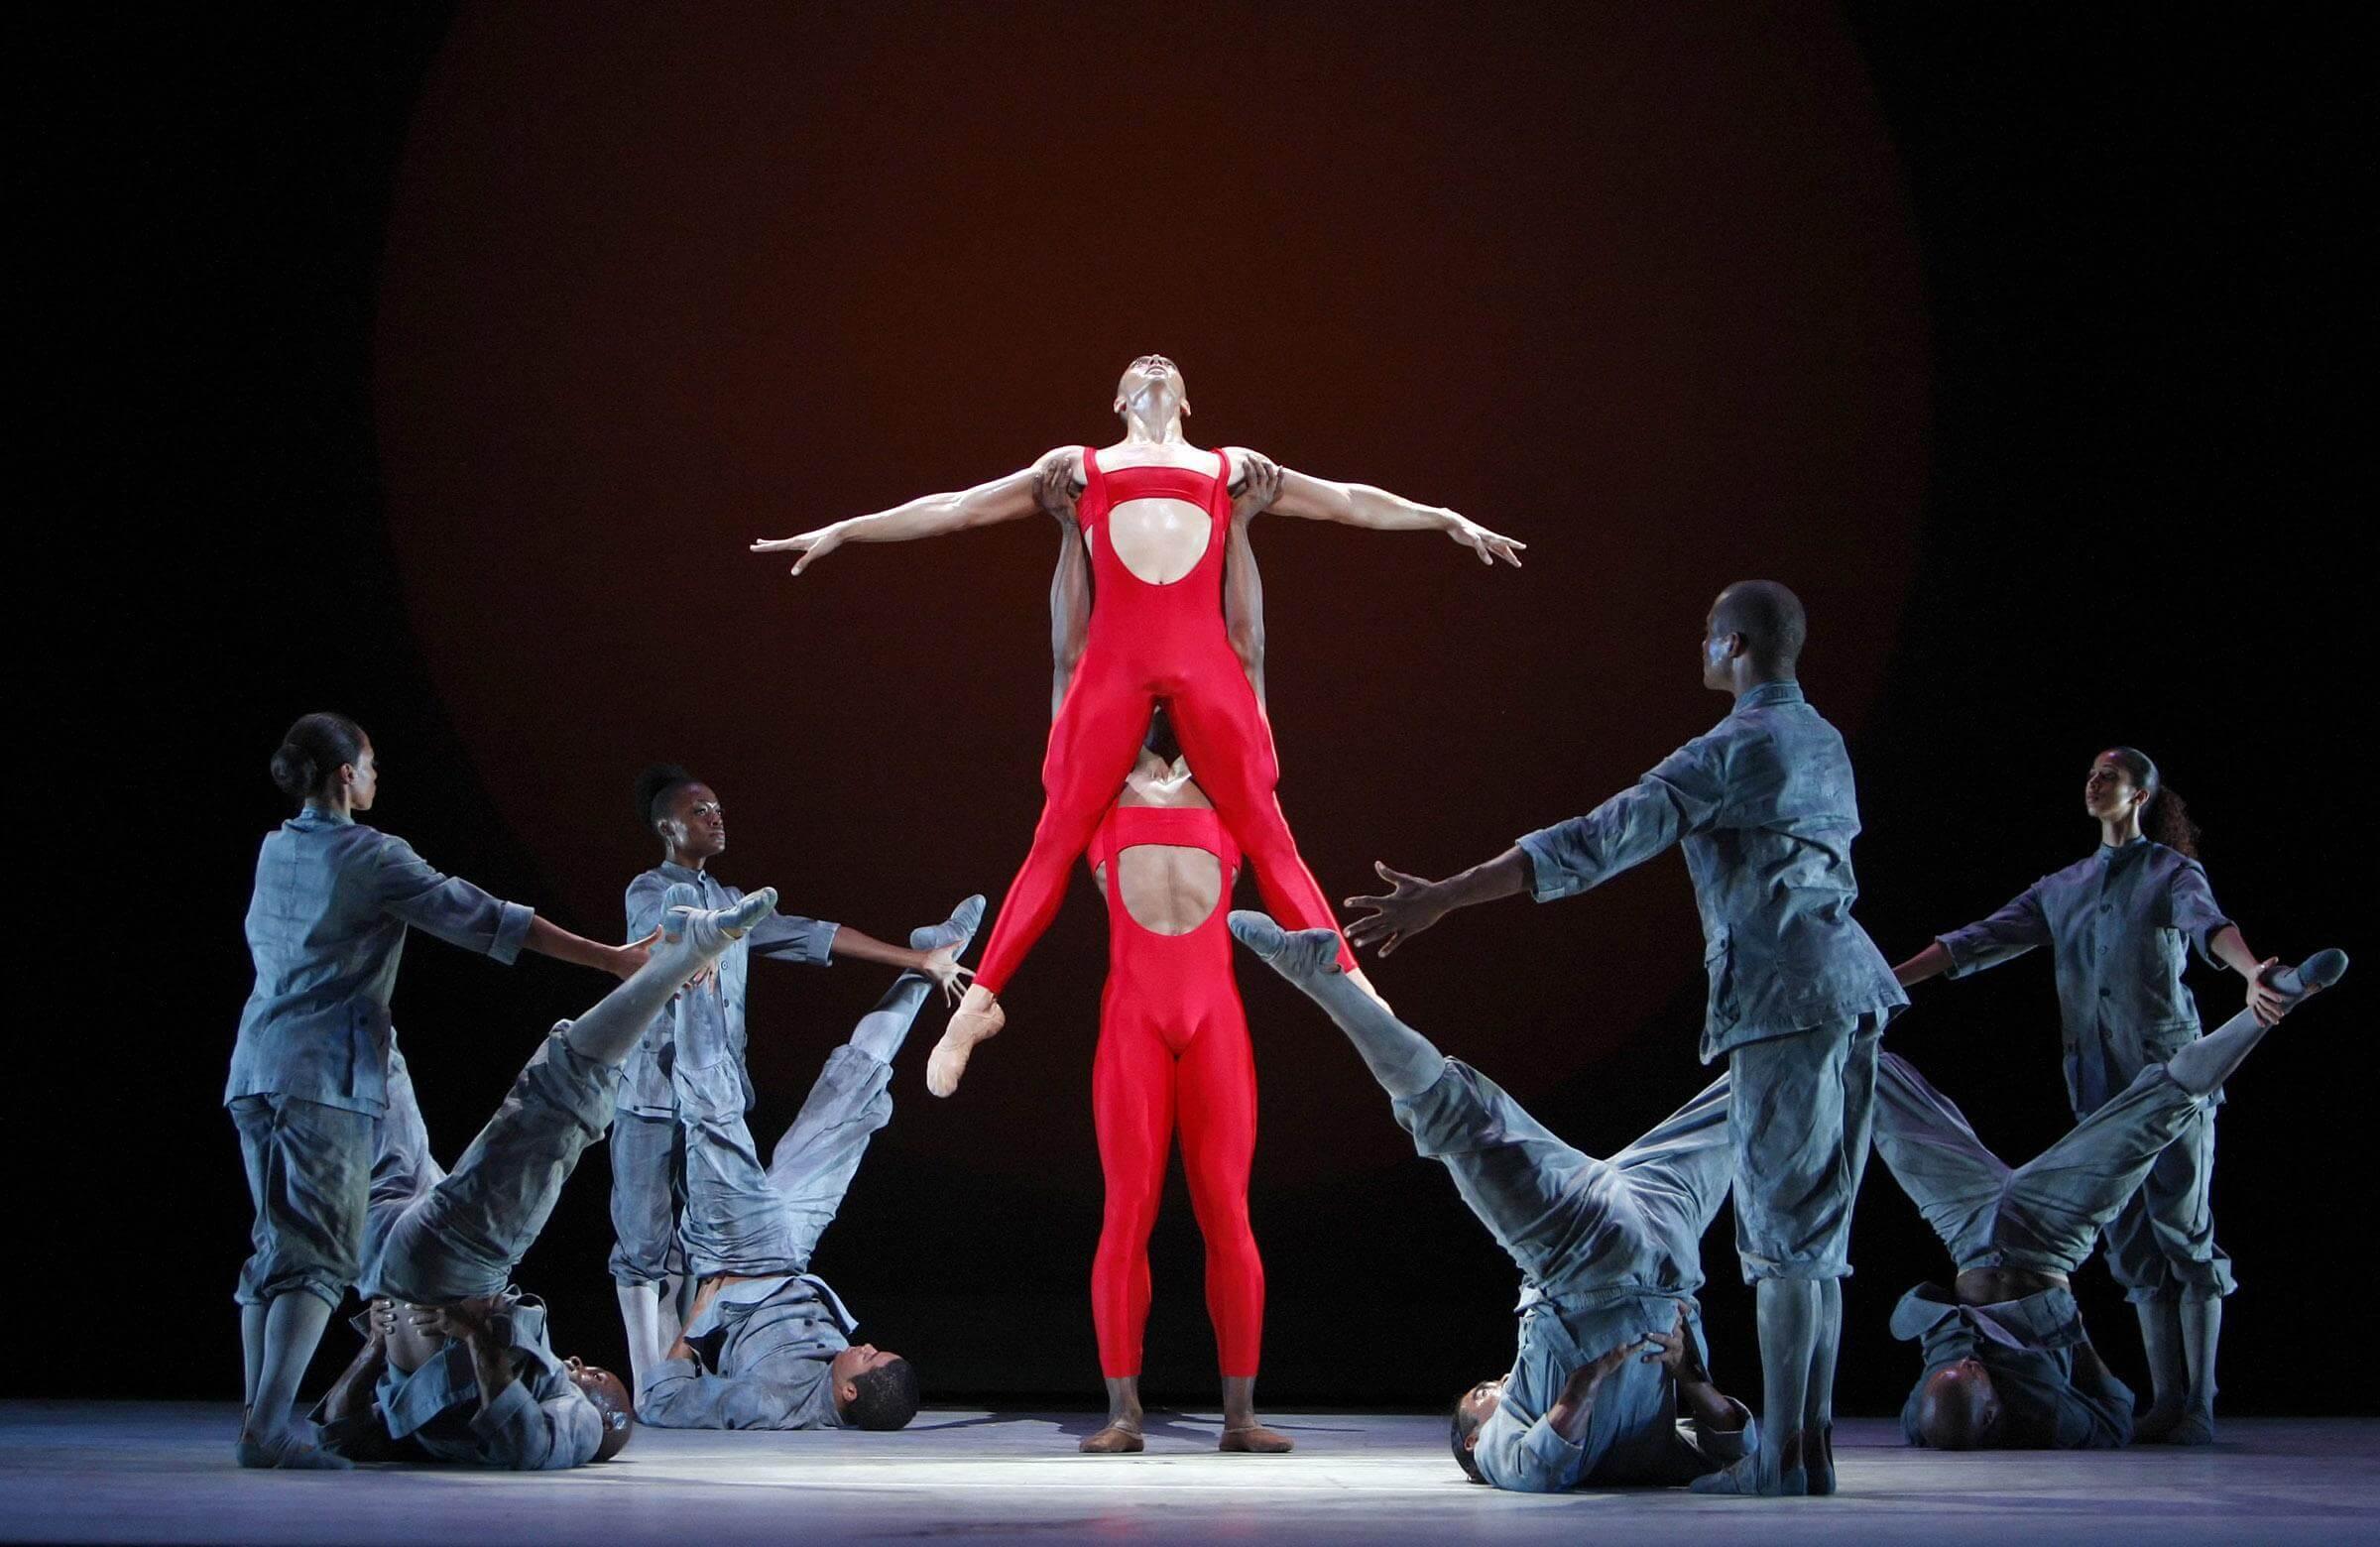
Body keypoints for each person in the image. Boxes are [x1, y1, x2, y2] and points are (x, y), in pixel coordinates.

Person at [751, 355, 1522, 1092]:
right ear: (1119, 402)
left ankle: (1366, 1006)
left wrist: (1443, 517)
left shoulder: (1229, 468)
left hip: (1203, 664)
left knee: (1268, 831)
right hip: (1115, 667)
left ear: (1187, 402)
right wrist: (845, 530)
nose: (1153, 360)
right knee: (1055, 835)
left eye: (1167, 366)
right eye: (1137, 366)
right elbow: (955, 507)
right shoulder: (1079, 467)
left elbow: (1349, 500)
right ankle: (974, 1010)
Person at [1344, 582, 1906, 1494]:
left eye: (1705, 637)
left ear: (1733, 644)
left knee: (1780, 1245)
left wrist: (1446, 894)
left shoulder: (1734, 747)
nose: (1700, 650)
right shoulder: (1825, 740)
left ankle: (1791, 1463)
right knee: (1815, 1244)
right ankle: (1808, 1452)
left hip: (1787, 1000)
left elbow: (1594, 840)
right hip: (1851, 994)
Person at [228, 712, 647, 1469]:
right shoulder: (371, 854)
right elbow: (483, 917)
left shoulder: (275, 847)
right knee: (317, 1260)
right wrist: (608, 959)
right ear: (346, 777)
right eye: (372, 763)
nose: (378, 777)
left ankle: (259, 1420)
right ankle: (264, 1430)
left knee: (274, 1252)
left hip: (256, 1067)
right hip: (322, 1074)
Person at [1231, 912, 1754, 1491]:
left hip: (1576, 1247)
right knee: (1758, 1092)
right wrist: (1691, 1377)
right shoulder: (1629, 1453)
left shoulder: (1516, 1436)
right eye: (1483, 1396)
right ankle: (1852, 1015)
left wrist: (1582, 1385)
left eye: (1488, 1388)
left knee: (1456, 1115)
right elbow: (1732, 1447)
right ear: (1476, 1440)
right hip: (1669, 1248)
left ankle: (1315, 975)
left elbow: (1530, 1467)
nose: (1499, 1382)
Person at [308, 886, 781, 1468]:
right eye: (592, 1369)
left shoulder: (579, 1428)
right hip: (414, 1260)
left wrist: (379, 1345)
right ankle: (326, 906)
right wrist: (476, 1336)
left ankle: (682, 956)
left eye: (596, 1378)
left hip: (418, 1267)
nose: (581, 1365)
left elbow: (339, 1432)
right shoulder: (534, 1374)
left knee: (547, 1111)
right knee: (380, 1063)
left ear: (602, 1416)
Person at [1890, 747, 2281, 1442]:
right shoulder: (2062, 887)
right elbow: (1975, 942)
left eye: (2111, 775)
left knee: (2182, 1232)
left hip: (2166, 1075)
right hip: (2098, 1092)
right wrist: (1885, 984)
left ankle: (2199, 1404)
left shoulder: (2169, 871)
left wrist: (2253, 972)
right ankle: (2166, 1400)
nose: (2095, 781)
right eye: (2091, 774)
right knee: (2130, 1247)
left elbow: (2210, 928)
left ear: (2140, 794)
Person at [1874, 950, 2343, 1449]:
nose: (1967, 1364)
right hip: (2047, 1234)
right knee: (2157, 1107)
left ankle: (1840, 1014)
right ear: (1992, 1414)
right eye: (1974, 1376)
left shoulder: (1924, 1418)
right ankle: (2270, 1005)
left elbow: (1934, 1384)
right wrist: (2074, 1339)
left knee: (1875, 1093)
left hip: (1964, 1229)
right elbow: (2117, 1415)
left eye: (1952, 1371)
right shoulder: (2049, 1419)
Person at [611, 766, 971, 1401]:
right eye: (699, 811)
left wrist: (917, 959)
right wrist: (686, 947)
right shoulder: (652, 888)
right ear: (667, 826)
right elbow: (660, 936)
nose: (716, 817)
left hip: (716, 1090)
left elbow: (813, 934)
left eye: (718, 806)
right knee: (645, 1240)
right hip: (653, 1095)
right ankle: (653, 1386)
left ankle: (692, 1375)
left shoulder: (735, 900)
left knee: (719, 1241)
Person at [639, 897, 985, 1431]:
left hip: (738, 1253)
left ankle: (691, 960)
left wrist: (700, 1317)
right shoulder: (835, 1377)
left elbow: (661, 1403)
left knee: (716, 1117)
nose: (865, 1344)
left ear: (848, 1392)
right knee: (853, 1096)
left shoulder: (768, 1403)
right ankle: (926, 962)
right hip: (793, 1248)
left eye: (868, 1357)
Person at [1077, 714, 1286, 1454]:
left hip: (1214, 1022)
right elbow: (1070, 670)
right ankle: (1123, 1413)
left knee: (1228, 1212)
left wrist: (1235, 594)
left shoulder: (1234, 791)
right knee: (1127, 1212)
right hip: (1133, 1021)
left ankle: (1240, 1415)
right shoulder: (1095, 790)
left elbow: (1250, 666)